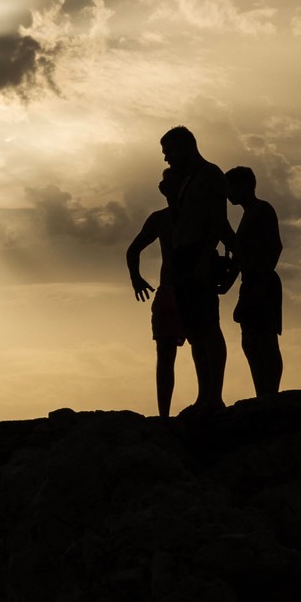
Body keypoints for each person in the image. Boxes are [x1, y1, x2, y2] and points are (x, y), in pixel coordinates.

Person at [159, 126, 233, 413]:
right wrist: (170, 196)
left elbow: (217, 220)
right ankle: (205, 395)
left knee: (209, 327)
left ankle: (214, 396)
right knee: (194, 330)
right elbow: (180, 222)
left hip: (200, 253)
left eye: (169, 152)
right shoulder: (186, 180)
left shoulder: (210, 174)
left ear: (185, 147)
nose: (166, 159)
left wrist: (205, 258)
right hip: (183, 257)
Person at [125, 169, 186, 417]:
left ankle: (207, 399)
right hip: (171, 290)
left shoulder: (195, 214)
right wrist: (135, 278)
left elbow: (229, 241)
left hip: (189, 289)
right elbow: (133, 250)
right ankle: (164, 414)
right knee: (166, 354)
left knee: (200, 348)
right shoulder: (160, 218)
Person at [225, 166, 284, 397]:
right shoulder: (247, 214)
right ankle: (262, 392)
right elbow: (241, 258)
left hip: (263, 282)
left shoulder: (262, 209)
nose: (227, 193)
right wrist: (229, 281)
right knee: (250, 340)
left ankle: (270, 393)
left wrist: (260, 282)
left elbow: (275, 247)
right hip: (250, 281)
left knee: (265, 340)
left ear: (245, 185)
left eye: (230, 187)